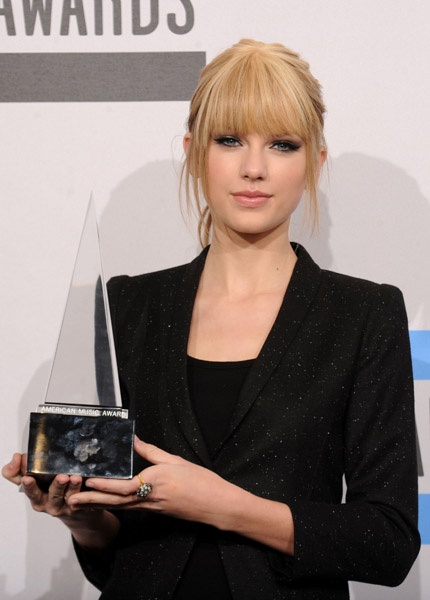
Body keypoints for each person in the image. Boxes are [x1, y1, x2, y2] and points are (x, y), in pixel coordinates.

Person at [3, 39, 420, 599]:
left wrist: (222, 505)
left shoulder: (364, 315)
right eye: (229, 140)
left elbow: (388, 542)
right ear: (194, 152)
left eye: (282, 144)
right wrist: (81, 517)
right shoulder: (128, 306)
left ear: (315, 162)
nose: (254, 168)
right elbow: (117, 562)